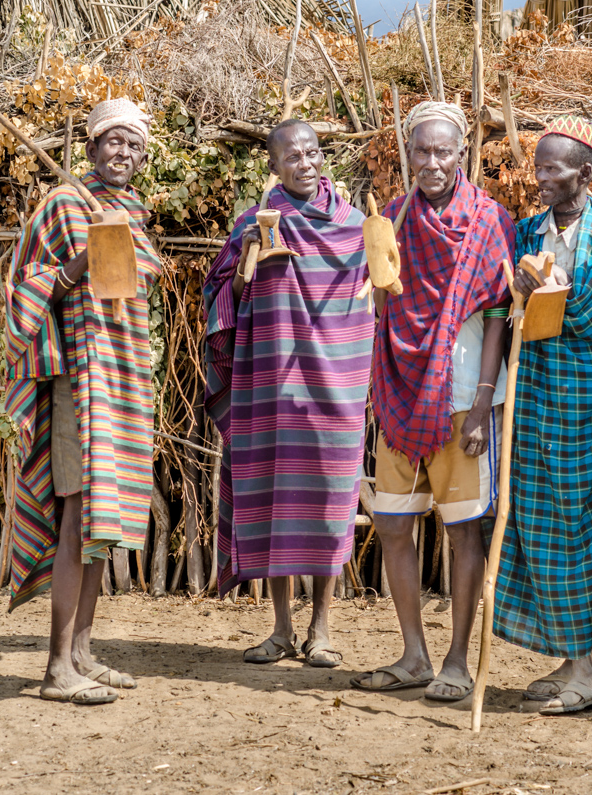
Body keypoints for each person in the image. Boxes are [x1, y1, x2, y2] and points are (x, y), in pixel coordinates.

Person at [351, 101, 515, 702]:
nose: (432, 162)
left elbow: (499, 314)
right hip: (399, 391)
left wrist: (482, 404)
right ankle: (414, 653)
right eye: (421, 150)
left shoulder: (490, 220)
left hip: (462, 397)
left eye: (443, 151)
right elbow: (380, 298)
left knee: (465, 532)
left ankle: (456, 661)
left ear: (462, 154)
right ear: (408, 152)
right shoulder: (389, 219)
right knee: (393, 522)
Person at [4, 98, 161, 705]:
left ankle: (83, 654)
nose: (123, 153)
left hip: (122, 382)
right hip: (79, 381)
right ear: (91, 148)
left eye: (134, 145)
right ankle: (55, 669)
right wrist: (73, 266)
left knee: (101, 525)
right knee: (77, 516)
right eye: (113, 142)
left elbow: (134, 289)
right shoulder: (63, 205)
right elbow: (25, 291)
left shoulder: (127, 212)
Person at [203, 120, 373, 668]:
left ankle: (322, 629)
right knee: (275, 503)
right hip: (270, 384)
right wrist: (245, 263)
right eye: (292, 157)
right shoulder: (253, 225)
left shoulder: (354, 226)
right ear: (274, 167)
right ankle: (280, 629)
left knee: (329, 505)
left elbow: (379, 290)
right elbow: (221, 296)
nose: (306, 163)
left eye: (313, 153)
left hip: (336, 386)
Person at [492, 116, 592, 715]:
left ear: (588, 172)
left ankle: (585, 671)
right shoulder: (528, 232)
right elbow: (507, 316)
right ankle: (572, 662)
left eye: (552, 168)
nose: (540, 178)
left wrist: (555, 300)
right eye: (537, 167)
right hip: (532, 408)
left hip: (586, 412)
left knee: (578, 534)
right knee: (535, 530)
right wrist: (523, 298)